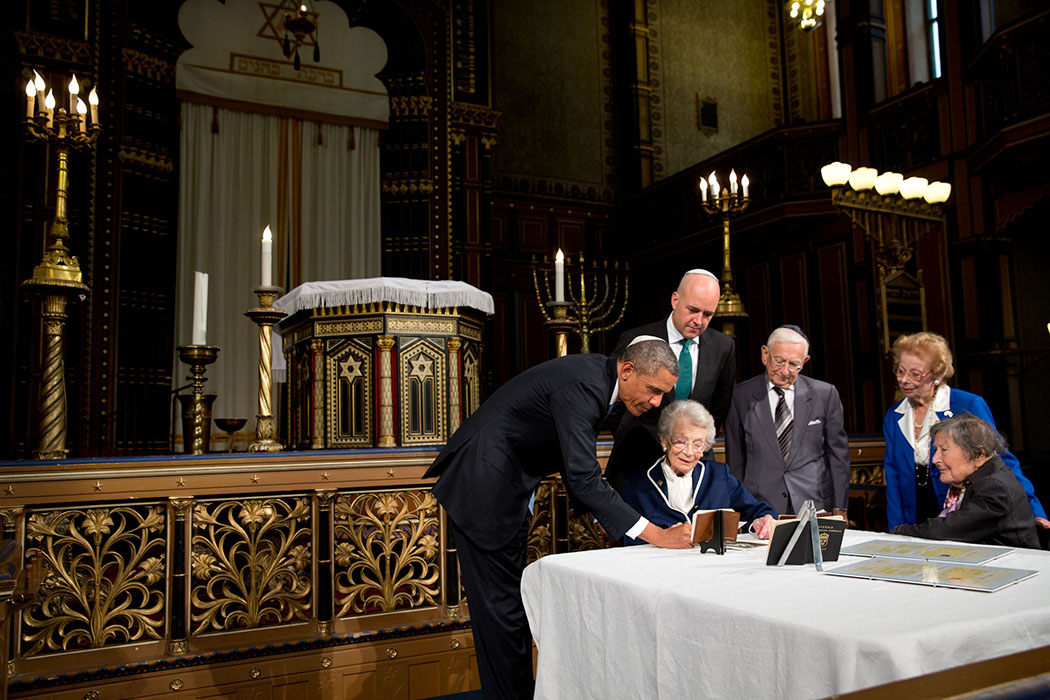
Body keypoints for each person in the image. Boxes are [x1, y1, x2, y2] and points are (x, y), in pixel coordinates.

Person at [424, 338, 694, 700]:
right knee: (501, 615)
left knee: (506, 611)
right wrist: (657, 535)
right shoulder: (585, 387)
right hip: (484, 487)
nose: (656, 402)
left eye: (663, 394)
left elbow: (572, 462)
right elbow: (583, 477)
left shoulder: (598, 380)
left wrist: (603, 518)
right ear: (628, 370)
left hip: (504, 486)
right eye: (653, 390)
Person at [883, 331, 1047, 531]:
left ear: (936, 374)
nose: (904, 380)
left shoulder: (967, 404)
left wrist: (1033, 509)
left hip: (963, 514)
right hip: (914, 514)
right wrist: (895, 529)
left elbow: (1001, 460)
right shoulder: (894, 415)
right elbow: (893, 478)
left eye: (915, 374)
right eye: (900, 371)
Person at [605, 269, 736, 491]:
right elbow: (614, 401)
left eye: (708, 315)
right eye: (693, 310)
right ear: (675, 300)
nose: (699, 321)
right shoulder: (635, 339)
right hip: (636, 462)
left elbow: (719, 408)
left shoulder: (724, 347)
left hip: (694, 466)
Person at [724, 325, 850, 516]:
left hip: (814, 504)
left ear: (805, 361)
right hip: (760, 508)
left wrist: (840, 507)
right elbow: (736, 460)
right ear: (765, 354)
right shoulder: (740, 397)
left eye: (794, 364)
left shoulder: (825, 395)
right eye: (779, 361)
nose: (785, 371)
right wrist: (737, 509)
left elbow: (838, 456)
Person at [622, 400, 777, 544]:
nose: (689, 452)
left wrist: (764, 520)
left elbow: (759, 511)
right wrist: (664, 538)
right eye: (681, 442)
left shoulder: (719, 475)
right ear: (664, 440)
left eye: (698, 445)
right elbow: (630, 539)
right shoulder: (638, 485)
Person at [892, 414, 1039, 548]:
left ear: (978, 454)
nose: (935, 459)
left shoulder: (994, 486)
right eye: (935, 450)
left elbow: (949, 529)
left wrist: (902, 531)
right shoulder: (975, 480)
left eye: (944, 450)